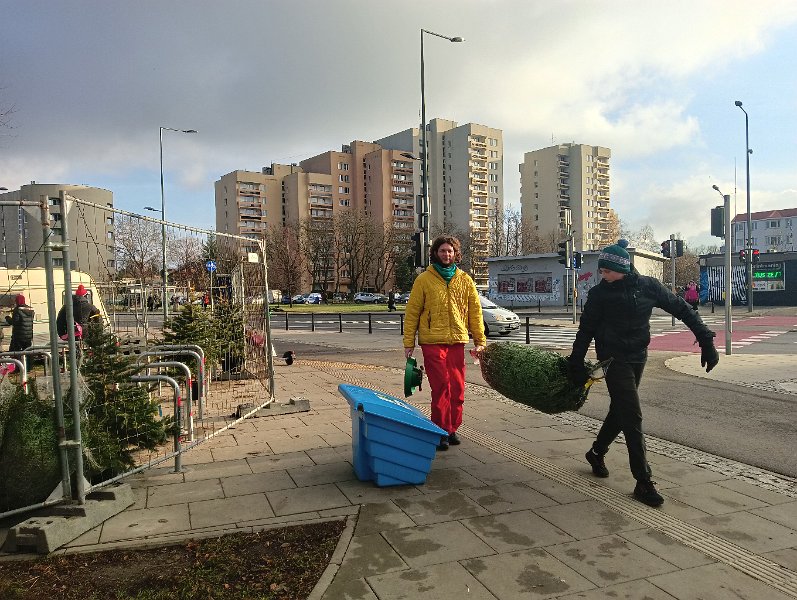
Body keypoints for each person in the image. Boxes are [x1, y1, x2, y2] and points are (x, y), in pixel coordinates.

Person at [567, 240, 719, 507]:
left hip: (638, 355)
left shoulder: (648, 286)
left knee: (621, 411)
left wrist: (706, 340)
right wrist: (576, 362)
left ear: (621, 269)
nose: (602, 275)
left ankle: (596, 452)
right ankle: (643, 481)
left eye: (606, 271)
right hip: (612, 359)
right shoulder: (600, 294)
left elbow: (682, 308)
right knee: (632, 415)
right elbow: (586, 330)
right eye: (601, 271)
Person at [403, 236, 486, 451]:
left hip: (457, 340)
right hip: (432, 341)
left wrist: (480, 341)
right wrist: (409, 342)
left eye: (450, 251)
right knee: (441, 387)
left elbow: (475, 313)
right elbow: (412, 312)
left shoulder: (465, 280)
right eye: (442, 251)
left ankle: (452, 428)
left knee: (457, 388)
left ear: (455, 254)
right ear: (435, 253)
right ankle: (440, 430)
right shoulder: (424, 279)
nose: (446, 254)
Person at [6, 294, 35, 363]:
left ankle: (18, 366)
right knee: (28, 352)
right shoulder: (30, 310)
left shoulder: (17, 310)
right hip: (28, 336)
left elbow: (14, 322)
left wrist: (7, 318)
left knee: (16, 353)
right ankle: (29, 366)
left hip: (18, 336)